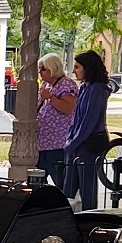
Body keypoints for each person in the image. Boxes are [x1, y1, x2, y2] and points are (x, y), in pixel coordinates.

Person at [62, 50, 110, 211]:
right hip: (77, 143)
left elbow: (89, 122)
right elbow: (77, 118)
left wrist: (73, 143)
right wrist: (70, 139)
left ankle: (90, 218)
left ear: (87, 68)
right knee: (68, 188)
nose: (74, 71)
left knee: (87, 188)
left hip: (90, 144)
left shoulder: (98, 89)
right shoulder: (84, 88)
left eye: (77, 67)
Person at [36, 53, 78, 187]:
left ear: (52, 68)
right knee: (38, 181)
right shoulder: (45, 84)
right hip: (42, 143)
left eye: (43, 69)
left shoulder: (66, 84)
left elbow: (69, 108)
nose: (40, 72)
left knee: (61, 181)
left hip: (57, 143)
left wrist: (50, 97)